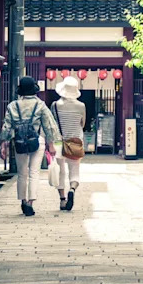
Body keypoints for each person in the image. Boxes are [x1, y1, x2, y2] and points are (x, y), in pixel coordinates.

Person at [0, 76, 60, 216]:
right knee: (34, 172)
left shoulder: (12, 106)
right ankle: (30, 203)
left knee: (22, 173)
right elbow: (49, 126)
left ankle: (23, 200)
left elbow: (7, 126)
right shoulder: (40, 105)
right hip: (36, 140)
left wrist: (4, 144)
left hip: (19, 141)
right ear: (34, 90)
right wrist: (51, 145)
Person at [51, 76, 89, 211]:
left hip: (59, 143)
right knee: (74, 171)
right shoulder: (81, 106)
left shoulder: (55, 105)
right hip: (76, 142)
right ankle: (72, 189)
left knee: (60, 171)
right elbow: (82, 124)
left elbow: (53, 125)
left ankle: (62, 200)